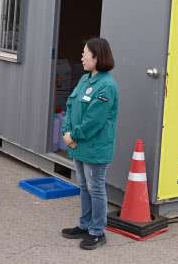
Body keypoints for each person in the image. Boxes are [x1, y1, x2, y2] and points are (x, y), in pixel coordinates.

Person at [61, 38, 119, 250]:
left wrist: (73, 135)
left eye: (86, 53)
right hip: (79, 144)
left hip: (94, 146)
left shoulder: (106, 86)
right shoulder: (85, 80)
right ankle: (85, 225)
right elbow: (71, 105)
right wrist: (66, 131)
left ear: (98, 57)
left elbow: (94, 120)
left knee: (95, 188)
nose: (82, 57)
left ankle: (97, 231)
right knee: (84, 186)